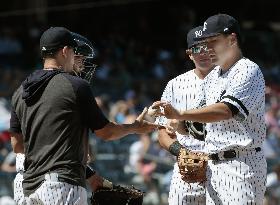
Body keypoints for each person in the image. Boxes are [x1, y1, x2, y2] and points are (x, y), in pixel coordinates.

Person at [10, 27, 157, 205]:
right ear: (65, 51)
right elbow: (106, 132)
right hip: (62, 186)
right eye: (74, 53)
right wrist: (135, 127)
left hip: (27, 187)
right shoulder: (74, 86)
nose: (77, 60)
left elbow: (17, 145)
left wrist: (88, 173)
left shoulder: (21, 91)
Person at [153, 14, 267, 204]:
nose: (207, 48)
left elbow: (226, 110)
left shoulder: (247, 69)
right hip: (214, 167)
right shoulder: (213, 76)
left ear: (232, 39)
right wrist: (179, 126)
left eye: (213, 41)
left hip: (240, 163)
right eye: (205, 42)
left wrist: (181, 114)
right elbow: (202, 127)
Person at [156, 26, 215, 205]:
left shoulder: (232, 80)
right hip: (188, 166)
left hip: (224, 165)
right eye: (197, 49)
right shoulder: (175, 85)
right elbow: (162, 132)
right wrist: (181, 153)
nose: (203, 53)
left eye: (207, 47)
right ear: (189, 54)